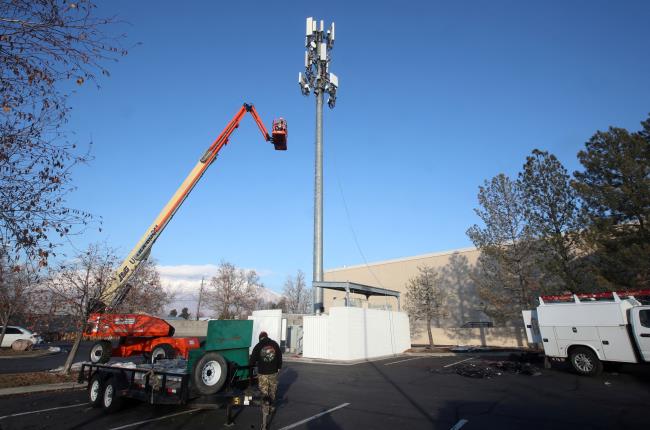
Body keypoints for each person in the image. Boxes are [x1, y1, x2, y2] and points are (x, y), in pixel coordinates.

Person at [250, 331, 282, 418]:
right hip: (273, 372)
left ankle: (265, 410)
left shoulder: (258, 346)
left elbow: (252, 360)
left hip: (263, 373)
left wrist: (251, 369)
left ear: (260, 338)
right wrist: (279, 367)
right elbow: (279, 356)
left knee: (264, 392)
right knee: (272, 390)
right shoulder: (274, 344)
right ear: (267, 336)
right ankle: (271, 406)